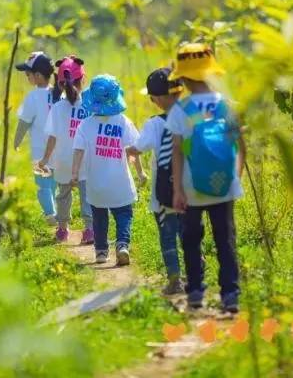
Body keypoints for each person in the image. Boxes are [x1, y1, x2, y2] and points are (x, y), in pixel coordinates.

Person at [166, 42, 245, 313]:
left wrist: (177, 189)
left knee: (190, 239)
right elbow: (239, 147)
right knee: (226, 239)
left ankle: (197, 291)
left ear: (184, 78)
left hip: (192, 187)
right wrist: (234, 178)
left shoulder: (181, 110)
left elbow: (176, 152)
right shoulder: (229, 106)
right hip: (225, 186)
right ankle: (230, 294)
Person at [71, 74, 140, 266]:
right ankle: (122, 245)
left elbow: (78, 151)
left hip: (96, 184)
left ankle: (101, 252)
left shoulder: (85, 125)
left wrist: (75, 173)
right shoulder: (123, 121)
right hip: (120, 183)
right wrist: (140, 171)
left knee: (99, 218)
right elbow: (135, 149)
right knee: (124, 214)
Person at [127, 68, 184, 294]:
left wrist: (128, 150)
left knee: (167, 234)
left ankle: (174, 280)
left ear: (159, 99)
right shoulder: (191, 117)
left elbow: (139, 148)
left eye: (151, 97)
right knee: (189, 232)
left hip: (166, 191)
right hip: (191, 188)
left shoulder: (154, 124)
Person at [38, 56, 93, 244]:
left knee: (62, 196)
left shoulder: (57, 108)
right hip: (85, 161)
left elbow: (52, 137)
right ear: (83, 80)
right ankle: (89, 230)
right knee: (87, 196)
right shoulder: (89, 106)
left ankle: (62, 230)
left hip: (63, 161)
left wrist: (45, 159)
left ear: (60, 84)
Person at [14, 51, 57, 225]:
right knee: (53, 183)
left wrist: (16, 140)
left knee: (42, 184)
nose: (27, 77)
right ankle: (55, 212)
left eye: (28, 74)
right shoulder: (58, 93)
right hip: (59, 148)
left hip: (40, 150)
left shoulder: (33, 97)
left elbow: (24, 122)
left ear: (38, 76)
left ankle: (49, 214)